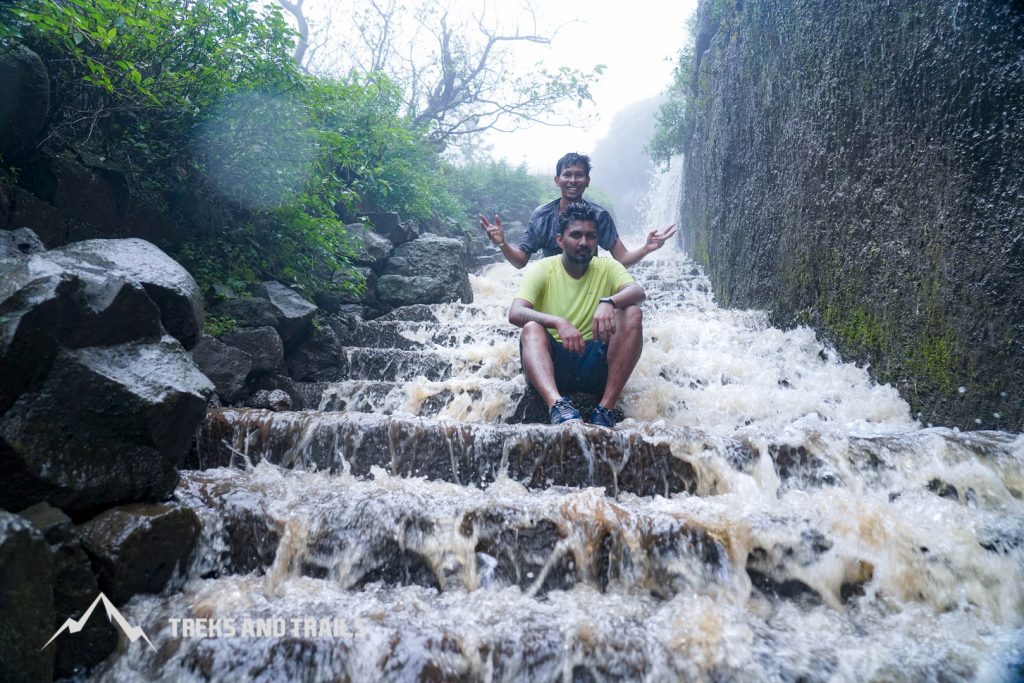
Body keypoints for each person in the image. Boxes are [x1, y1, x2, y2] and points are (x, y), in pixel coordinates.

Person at [508, 202, 646, 427]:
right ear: (560, 240)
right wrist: (557, 322)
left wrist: (608, 301)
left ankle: (605, 409)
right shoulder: (542, 269)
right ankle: (557, 405)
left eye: (591, 236)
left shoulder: (608, 267)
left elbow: (638, 292)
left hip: (596, 364)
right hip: (554, 364)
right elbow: (516, 312)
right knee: (531, 327)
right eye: (576, 235)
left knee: (632, 312)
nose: (584, 242)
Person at [480, 152, 677, 268]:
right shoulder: (542, 216)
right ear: (557, 180)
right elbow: (521, 261)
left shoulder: (599, 216)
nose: (573, 181)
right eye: (567, 175)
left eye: (579, 175)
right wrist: (503, 243)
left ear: (588, 181)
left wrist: (646, 248)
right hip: (553, 287)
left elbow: (622, 259)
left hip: (588, 288)